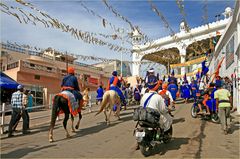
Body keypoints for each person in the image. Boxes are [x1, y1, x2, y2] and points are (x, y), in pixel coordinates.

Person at [133, 75, 172, 150]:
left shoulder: (144, 95)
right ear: (157, 86)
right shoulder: (158, 97)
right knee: (168, 119)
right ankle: (165, 133)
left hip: (143, 116)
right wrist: (168, 110)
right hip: (153, 118)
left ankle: (139, 141)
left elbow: (141, 106)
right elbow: (163, 110)